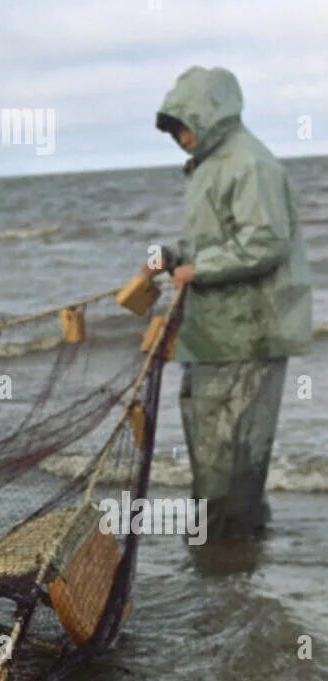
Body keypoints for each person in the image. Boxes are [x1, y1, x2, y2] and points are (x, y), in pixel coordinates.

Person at [139, 67, 312, 542]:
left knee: (230, 458)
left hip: (247, 334)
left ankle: (225, 553)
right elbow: (214, 238)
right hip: (216, 334)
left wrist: (198, 269)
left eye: (182, 125)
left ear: (207, 115)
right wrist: (171, 256)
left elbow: (265, 241)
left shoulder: (248, 164)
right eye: (173, 130)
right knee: (218, 452)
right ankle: (233, 554)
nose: (179, 137)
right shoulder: (211, 164)